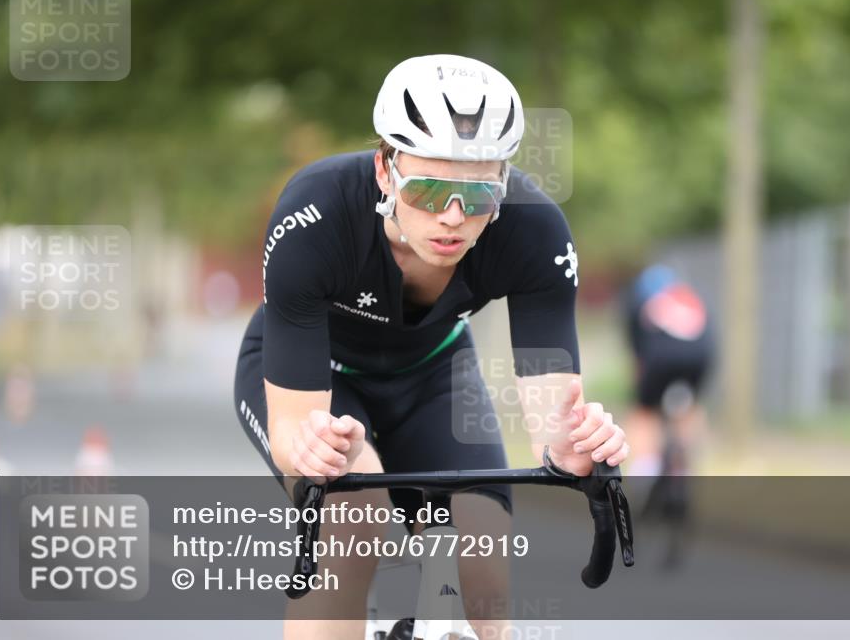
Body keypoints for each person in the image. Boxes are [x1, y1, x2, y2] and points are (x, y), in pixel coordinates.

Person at [233, 54, 628, 640]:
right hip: (319, 377)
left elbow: (554, 421)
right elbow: (295, 432)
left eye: (478, 195)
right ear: (385, 171)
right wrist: (310, 452)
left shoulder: (535, 230)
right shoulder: (315, 213)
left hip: (434, 371)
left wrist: (569, 448)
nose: (452, 218)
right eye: (428, 190)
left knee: (482, 581)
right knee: (352, 518)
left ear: (503, 184)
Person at [623, 265, 714, 484]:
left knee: (645, 411)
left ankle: (645, 468)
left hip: (660, 356)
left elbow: (637, 350)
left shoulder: (639, 301)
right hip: (700, 355)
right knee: (689, 407)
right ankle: (684, 469)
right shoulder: (688, 298)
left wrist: (640, 382)